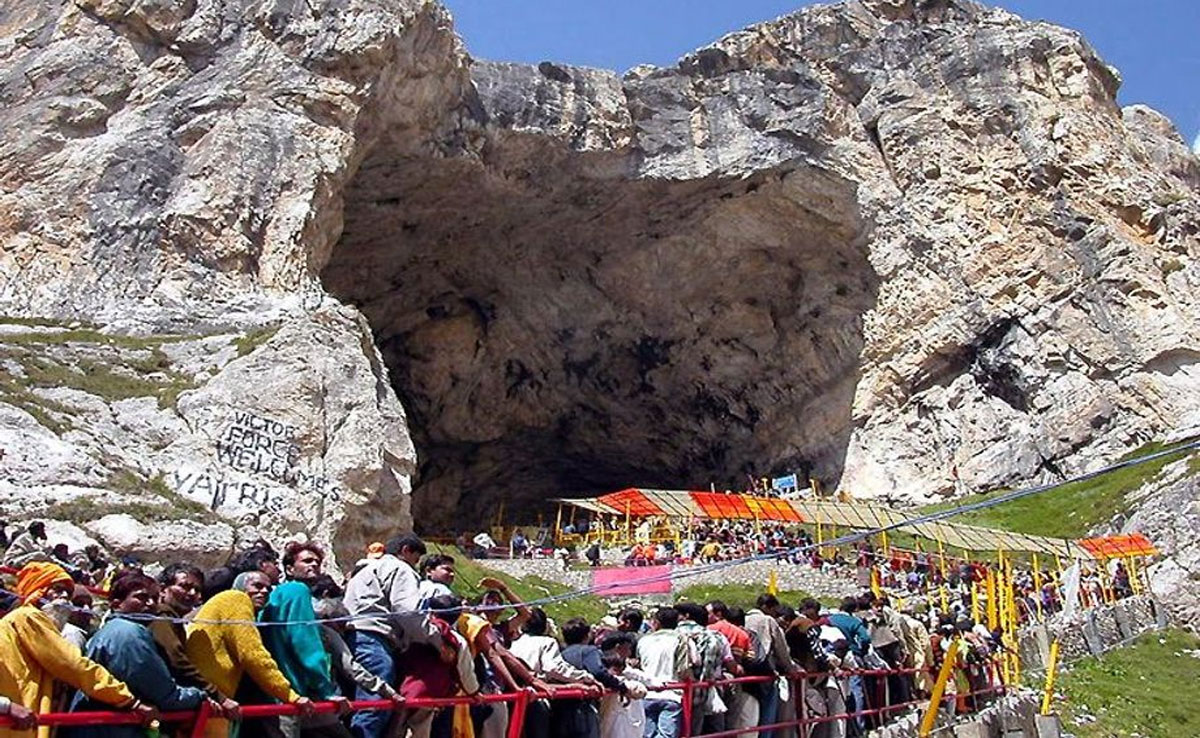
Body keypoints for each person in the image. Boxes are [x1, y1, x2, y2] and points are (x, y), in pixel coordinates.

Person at [0, 562, 156, 738]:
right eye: (57, 589)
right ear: (38, 591)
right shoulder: (27, 617)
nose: (65, 597)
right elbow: (72, 664)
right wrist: (128, 700)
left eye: (68, 592)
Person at [65, 572, 213, 738]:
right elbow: (164, 694)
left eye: (155, 598)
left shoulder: (112, 630)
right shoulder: (128, 634)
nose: (150, 604)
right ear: (117, 604)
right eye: (141, 597)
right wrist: (201, 696)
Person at [186, 571, 315, 738]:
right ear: (240, 586)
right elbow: (252, 654)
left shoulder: (225, 603)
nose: (264, 592)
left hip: (207, 695)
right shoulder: (236, 599)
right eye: (257, 586)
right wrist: (290, 696)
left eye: (268, 588)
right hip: (211, 699)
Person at [343, 533, 445, 738]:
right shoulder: (400, 569)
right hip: (376, 640)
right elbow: (408, 612)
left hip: (352, 637)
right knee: (375, 704)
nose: (415, 565)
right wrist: (435, 639)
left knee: (358, 702)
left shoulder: (363, 571)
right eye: (416, 559)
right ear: (405, 550)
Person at [261, 543, 349, 738]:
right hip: (291, 690)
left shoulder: (278, 594)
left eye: (318, 562)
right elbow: (304, 641)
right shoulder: (297, 591)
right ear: (290, 569)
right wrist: (326, 690)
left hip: (273, 689)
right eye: (307, 561)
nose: (315, 565)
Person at [149, 564, 241, 718]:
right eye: (185, 586)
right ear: (163, 589)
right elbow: (177, 659)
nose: (192, 594)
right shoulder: (162, 617)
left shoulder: (174, 619)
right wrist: (217, 695)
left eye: (197, 590)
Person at [637, 608, 690, 738]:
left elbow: (639, 665)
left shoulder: (643, 640)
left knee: (646, 734)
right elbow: (683, 670)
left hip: (647, 692)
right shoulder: (680, 639)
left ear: (656, 622)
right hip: (671, 693)